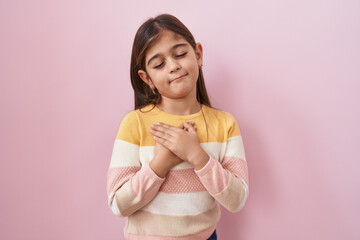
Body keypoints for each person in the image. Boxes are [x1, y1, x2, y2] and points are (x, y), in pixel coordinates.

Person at [106, 13, 249, 240]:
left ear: (198, 54)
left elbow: (237, 199)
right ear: (147, 78)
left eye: (180, 54)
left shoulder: (224, 124)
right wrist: (161, 163)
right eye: (159, 64)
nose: (173, 66)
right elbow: (118, 204)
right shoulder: (135, 124)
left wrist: (196, 155)